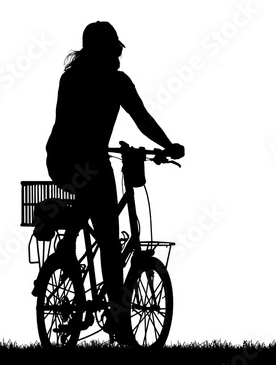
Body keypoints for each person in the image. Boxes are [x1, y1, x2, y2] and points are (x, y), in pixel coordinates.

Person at [45, 21, 184, 344]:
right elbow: (69, 124)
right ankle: (119, 319)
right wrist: (165, 146)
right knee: (108, 237)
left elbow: (142, 118)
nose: (117, 54)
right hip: (70, 160)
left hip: (77, 159)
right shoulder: (82, 81)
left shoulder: (101, 81)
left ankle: (70, 246)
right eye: (112, 48)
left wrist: (165, 144)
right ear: (103, 50)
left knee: (102, 221)